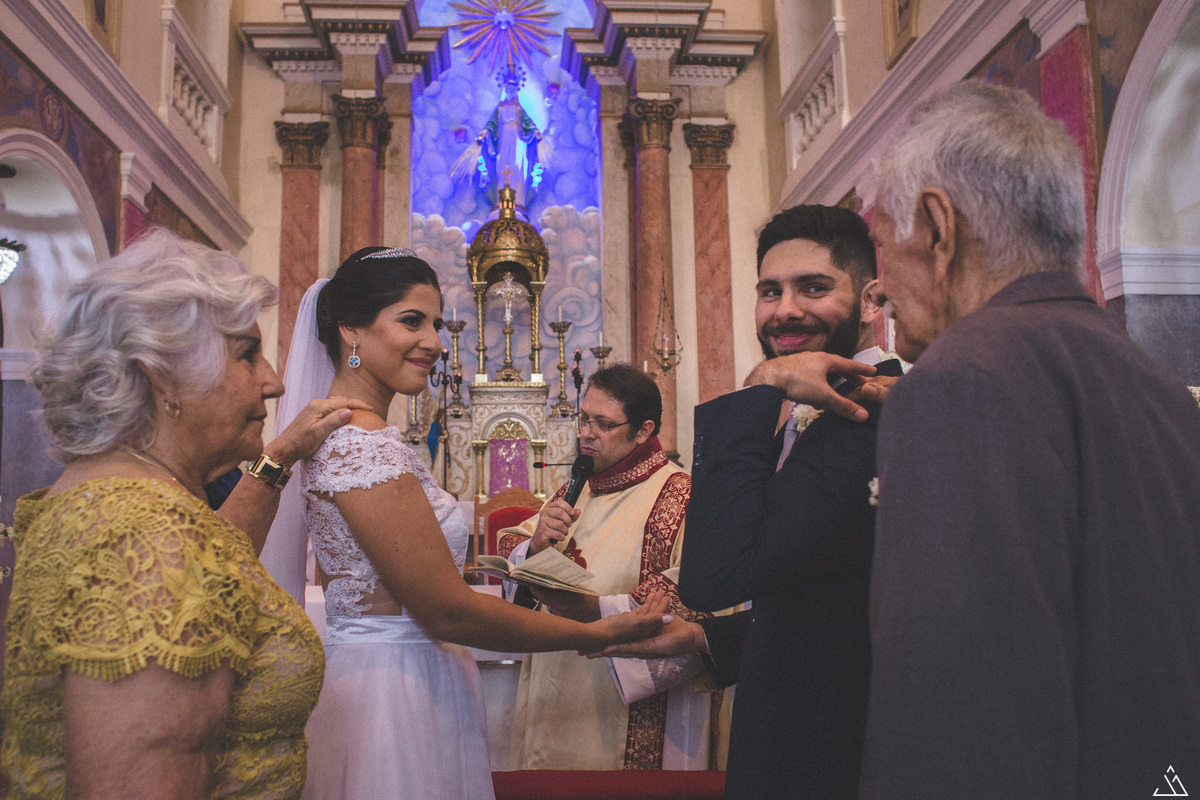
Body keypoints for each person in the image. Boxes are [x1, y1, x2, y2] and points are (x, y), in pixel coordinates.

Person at [862, 80, 1200, 798]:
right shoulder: (1160, 386)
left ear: (936, 226)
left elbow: (957, 719)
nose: (878, 287)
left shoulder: (962, 381)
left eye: (881, 243)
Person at [270, 249, 667, 800]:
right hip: (393, 692)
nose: (434, 341)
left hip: (405, 675)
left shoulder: (362, 439)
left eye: (435, 322)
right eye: (412, 321)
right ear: (351, 331)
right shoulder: (363, 448)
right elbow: (446, 609)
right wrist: (594, 634)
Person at [3, 229, 367, 800]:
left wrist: (280, 456)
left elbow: (211, 570)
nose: (273, 382)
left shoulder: (117, 498)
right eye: (247, 354)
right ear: (162, 377)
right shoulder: (146, 538)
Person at [604, 205, 903, 798]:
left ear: (871, 301)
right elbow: (828, 592)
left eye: (813, 288)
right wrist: (708, 640)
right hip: (797, 731)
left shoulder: (874, 414)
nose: (785, 309)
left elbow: (714, 578)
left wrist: (762, 384)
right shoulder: (813, 414)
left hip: (837, 749)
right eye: (770, 290)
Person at [496, 363, 715, 771]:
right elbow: (512, 542)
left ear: (644, 431)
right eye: (584, 418)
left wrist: (592, 610)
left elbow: (695, 597)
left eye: (603, 423)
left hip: (617, 701)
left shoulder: (681, 495)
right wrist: (537, 544)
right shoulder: (574, 487)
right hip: (555, 686)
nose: (586, 432)